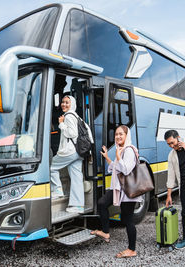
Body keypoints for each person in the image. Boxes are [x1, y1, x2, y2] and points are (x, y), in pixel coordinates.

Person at [91, 125, 141, 258]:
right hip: (118, 188)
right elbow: (116, 168)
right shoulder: (122, 149)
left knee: (127, 219)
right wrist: (108, 157)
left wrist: (118, 156)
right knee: (102, 203)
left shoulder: (129, 150)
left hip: (127, 190)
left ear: (126, 135)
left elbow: (125, 170)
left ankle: (132, 249)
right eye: (116, 134)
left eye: (121, 134)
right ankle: (106, 232)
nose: (118, 136)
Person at [50, 95, 84, 213]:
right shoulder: (76, 116)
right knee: (76, 177)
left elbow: (72, 133)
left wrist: (61, 124)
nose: (64, 104)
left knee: (50, 167)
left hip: (70, 151)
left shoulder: (68, 116)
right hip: (79, 151)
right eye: (63, 102)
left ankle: (57, 190)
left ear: (72, 104)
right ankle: (78, 205)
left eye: (67, 102)